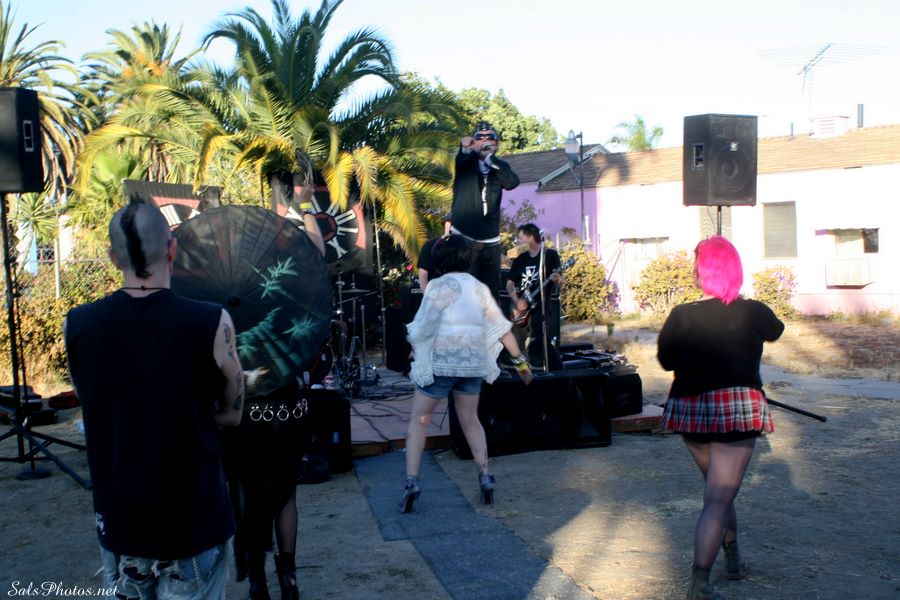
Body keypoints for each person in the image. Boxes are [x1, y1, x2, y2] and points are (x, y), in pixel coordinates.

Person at [65, 200, 244, 600]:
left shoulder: (79, 323)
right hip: (193, 521)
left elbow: (89, 401)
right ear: (172, 248)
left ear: (113, 257)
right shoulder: (212, 321)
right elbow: (233, 414)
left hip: (121, 522)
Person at [656, 235, 785, 600]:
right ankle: (699, 585)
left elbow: (666, 361)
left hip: (691, 409)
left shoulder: (681, 315)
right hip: (736, 408)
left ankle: (733, 561)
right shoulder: (754, 311)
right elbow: (776, 331)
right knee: (718, 496)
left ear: (701, 271)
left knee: (718, 491)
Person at [223, 183, 326, 600]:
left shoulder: (227, 293)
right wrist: (303, 208)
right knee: (285, 494)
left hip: (243, 408)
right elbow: (316, 254)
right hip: (287, 406)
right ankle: (289, 577)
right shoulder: (289, 288)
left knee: (249, 491)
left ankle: (258, 580)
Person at [401, 235, 532, 513]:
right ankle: (485, 476)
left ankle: (412, 482)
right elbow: (501, 328)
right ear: (468, 259)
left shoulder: (436, 286)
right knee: (471, 421)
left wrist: (415, 348)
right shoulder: (479, 288)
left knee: (419, 421)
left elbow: (423, 326)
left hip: (441, 365)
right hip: (472, 364)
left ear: (441, 259)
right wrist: (521, 363)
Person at [449, 121, 520, 297]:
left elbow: (512, 182)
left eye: (490, 138)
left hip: (490, 240)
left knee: (490, 294)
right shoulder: (466, 162)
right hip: (464, 237)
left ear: (496, 144)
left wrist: (490, 159)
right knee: (465, 291)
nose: (485, 141)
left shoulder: (499, 166)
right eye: (480, 137)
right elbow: (461, 159)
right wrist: (465, 148)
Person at [505, 223, 564, 369]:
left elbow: (560, 282)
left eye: (520, 237)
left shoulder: (550, 256)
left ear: (531, 237)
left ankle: (542, 368)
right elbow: (509, 284)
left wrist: (557, 279)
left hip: (540, 305)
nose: (517, 241)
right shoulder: (521, 258)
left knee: (539, 337)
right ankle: (519, 369)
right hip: (520, 305)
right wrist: (516, 301)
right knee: (516, 340)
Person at [417, 217, 452, 291]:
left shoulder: (465, 246)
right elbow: (423, 273)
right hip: (436, 292)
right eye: (447, 224)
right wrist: (427, 294)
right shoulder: (431, 244)